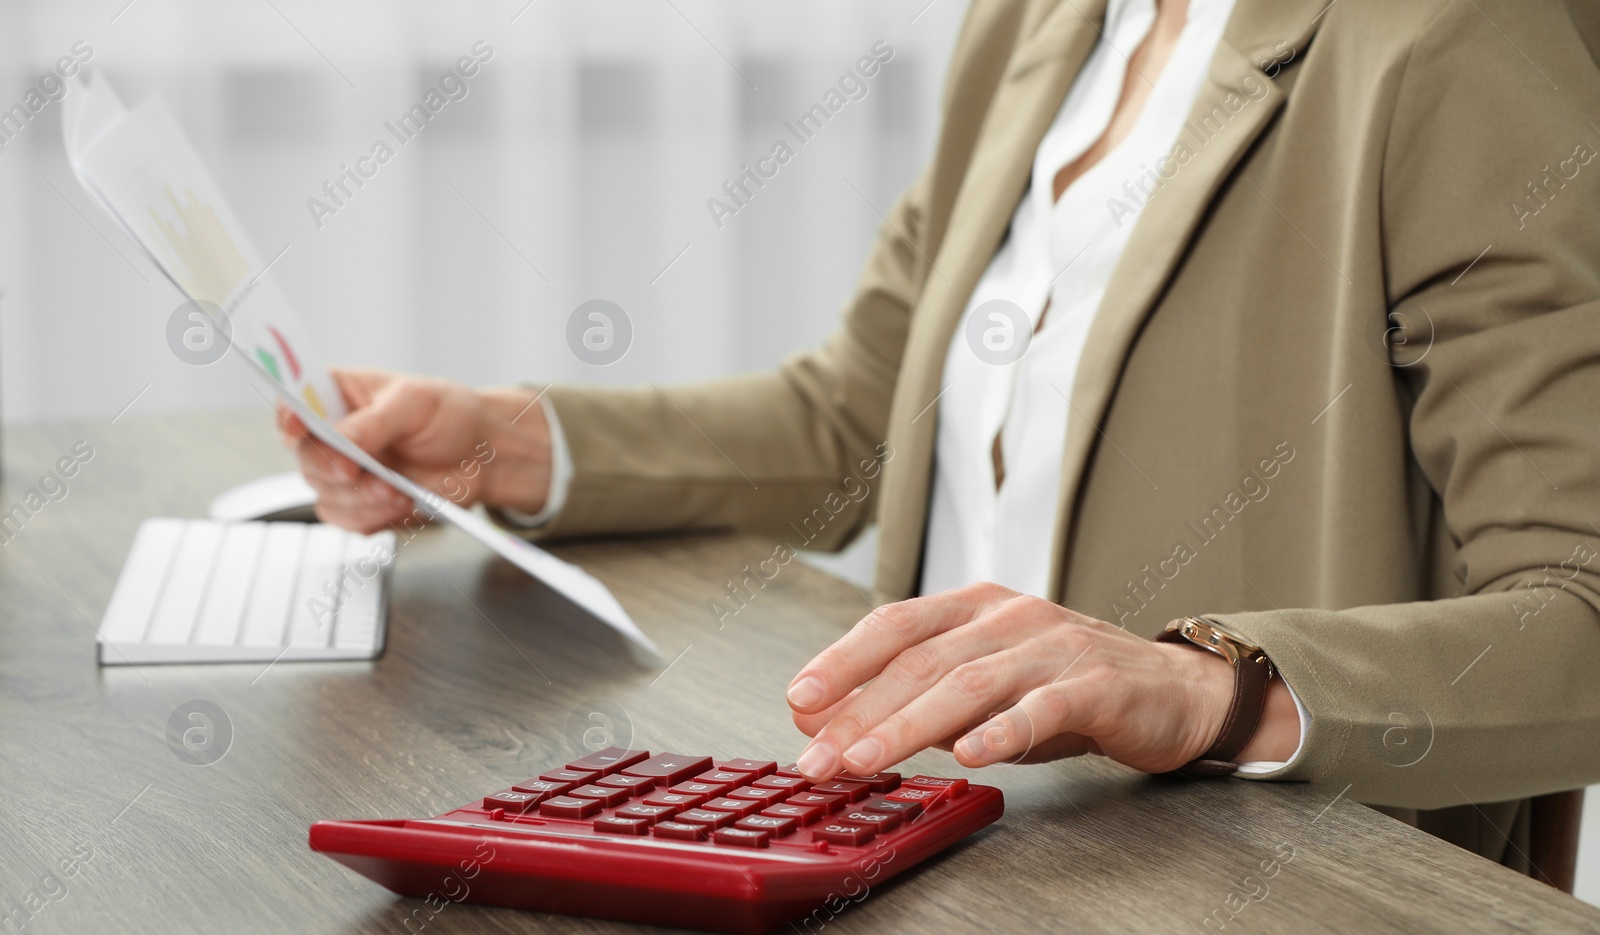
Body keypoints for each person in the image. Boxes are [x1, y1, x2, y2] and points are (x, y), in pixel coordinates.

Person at [281, 0, 1600, 875]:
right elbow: (864, 413)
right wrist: (516, 443)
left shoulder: (1458, 38)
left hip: (1258, 921)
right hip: (961, 866)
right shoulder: (1044, 20)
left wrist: (1210, 687)